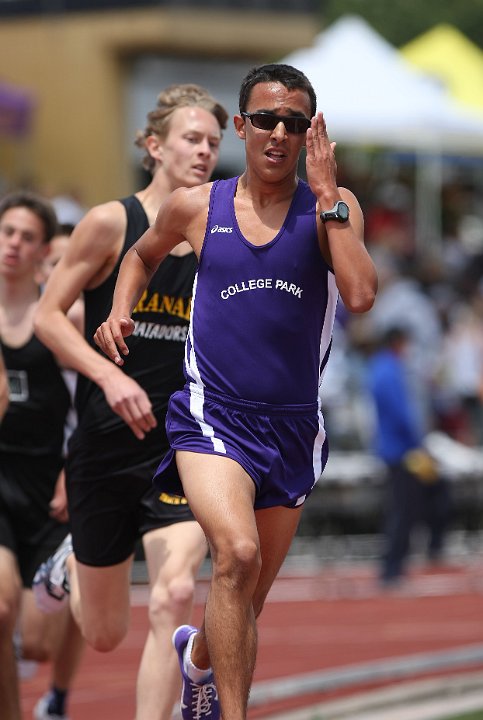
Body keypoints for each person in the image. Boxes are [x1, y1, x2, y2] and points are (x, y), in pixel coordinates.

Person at [94, 63, 378, 720]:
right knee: (236, 552)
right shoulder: (199, 206)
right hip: (210, 417)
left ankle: (196, 663)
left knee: (243, 599)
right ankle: (227, 712)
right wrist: (119, 309)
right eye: (267, 119)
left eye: (295, 122)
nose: (279, 132)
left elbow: (360, 296)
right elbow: (140, 254)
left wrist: (329, 194)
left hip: (292, 430)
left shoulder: (331, 209)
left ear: (311, 132)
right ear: (239, 127)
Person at [32, 84, 228, 720]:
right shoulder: (111, 223)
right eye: (191, 139)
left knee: (173, 596)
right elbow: (48, 317)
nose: (204, 151)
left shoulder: (216, 233)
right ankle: (68, 567)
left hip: (183, 441)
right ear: (154, 147)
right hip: (105, 441)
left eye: (213, 143)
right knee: (105, 633)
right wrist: (109, 377)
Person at [0, 191, 85, 720]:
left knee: (36, 644)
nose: (13, 244)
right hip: (0, 483)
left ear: (43, 250)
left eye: (27, 237)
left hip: (49, 487)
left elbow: (95, 401)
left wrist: (74, 471)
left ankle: (54, 690)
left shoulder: (63, 317)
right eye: (7, 232)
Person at [367, 325, 452, 586]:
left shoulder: (380, 368)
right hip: (404, 452)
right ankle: (393, 569)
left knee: (428, 496)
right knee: (405, 510)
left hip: (398, 450)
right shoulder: (390, 371)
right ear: (399, 342)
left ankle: (409, 559)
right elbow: (402, 414)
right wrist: (420, 443)